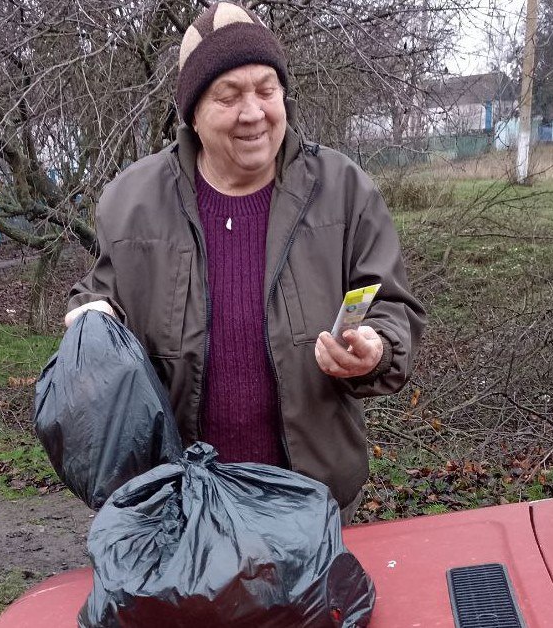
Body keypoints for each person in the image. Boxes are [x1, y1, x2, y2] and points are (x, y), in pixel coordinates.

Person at [65, 1, 426, 525]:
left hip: (310, 502)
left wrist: (378, 348)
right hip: (181, 507)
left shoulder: (343, 190)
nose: (253, 112)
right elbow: (101, 296)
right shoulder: (131, 203)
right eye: (228, 96)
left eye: (266, 90)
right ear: (193, 113)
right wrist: (90, 321)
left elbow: (392, 305)